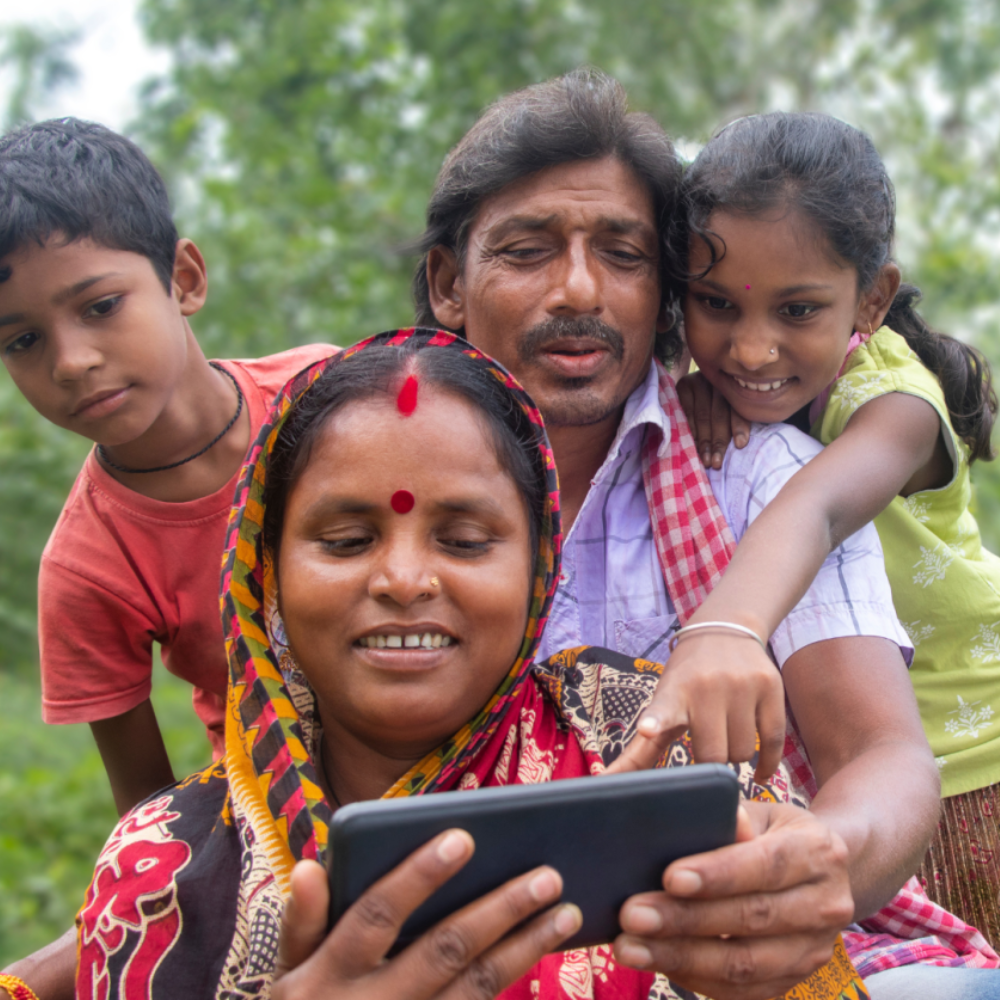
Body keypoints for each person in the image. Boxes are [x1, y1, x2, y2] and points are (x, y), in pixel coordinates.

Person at [69, 329, 974, 1000]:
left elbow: (863, 802)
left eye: (465, 539)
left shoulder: (643, 739)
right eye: (345, 540)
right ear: (265, 570)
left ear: (541, 564)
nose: (404, 579)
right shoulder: (162, 874)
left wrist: (800, 896)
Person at [411, 69, 999, 990]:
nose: (579, 290)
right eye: (527, 250)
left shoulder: (758, 469)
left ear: (663, 292)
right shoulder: (368, 478)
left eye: (624, 254)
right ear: (450, 283)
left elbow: (883, 758)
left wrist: (813, 865)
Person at [669, 110, 1000, 950]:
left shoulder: (895, 408)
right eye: (715, 305)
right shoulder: (736, 391)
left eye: (798, 310)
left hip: (972, 771)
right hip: (876, 785)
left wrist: (722, 629)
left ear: (873, 297)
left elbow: (812, 509)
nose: (749, 349)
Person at [0, 118, 333, 815]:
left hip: (475, 745)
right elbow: (148, 819)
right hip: (277, 815)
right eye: (23, 340)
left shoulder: (331, 393)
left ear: (183, 279)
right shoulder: (87, 568)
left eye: (100, 306)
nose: (70, 362)